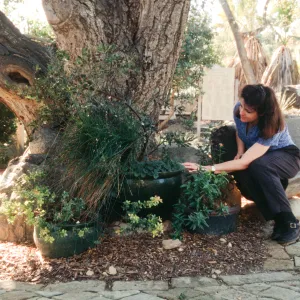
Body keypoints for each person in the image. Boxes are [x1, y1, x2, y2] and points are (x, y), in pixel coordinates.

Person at [183, 84, 300, 245]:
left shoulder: (273, 126)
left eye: (248, 111)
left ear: (262, 113)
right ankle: (277, 219)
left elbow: (245, 163)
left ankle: (290, 222)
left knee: (257, 165)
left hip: (287, 159)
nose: (241, 112)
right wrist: (239, 151)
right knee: (244, 172)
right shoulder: (239, 109)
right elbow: (240, 131)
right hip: (262, 160)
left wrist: (206, 169)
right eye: (242, 106)